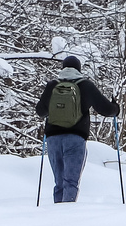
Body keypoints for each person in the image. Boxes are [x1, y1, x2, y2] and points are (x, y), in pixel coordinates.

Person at [34, 55, 119, 204]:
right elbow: (105, 109)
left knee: (59, 182)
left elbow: (40, 111)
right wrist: (115, 108)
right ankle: (67, 217)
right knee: (70, 182)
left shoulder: (52, 85)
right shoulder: (85, 85)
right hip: (75, 138)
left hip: (53, 139)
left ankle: (56, 214)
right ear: (78, 69)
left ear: (63, 69)